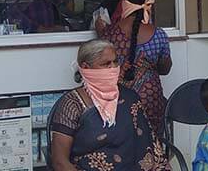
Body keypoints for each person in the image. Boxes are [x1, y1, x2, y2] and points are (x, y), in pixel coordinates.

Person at [49, 39, 170, 171]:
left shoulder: (130, 98)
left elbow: (149, 146)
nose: (113, 68)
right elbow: (60, 161)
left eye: (115, 62)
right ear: (86, 67)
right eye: (106, 64)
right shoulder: (72, 103)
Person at [96, 0, 172, 134]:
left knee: (122, 139)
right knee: (151, 140)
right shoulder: (158, 34)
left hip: (119, 99)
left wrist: (101, 33)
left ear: (124, 4)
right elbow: (165, 69)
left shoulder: (109, 33)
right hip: (150, 98)